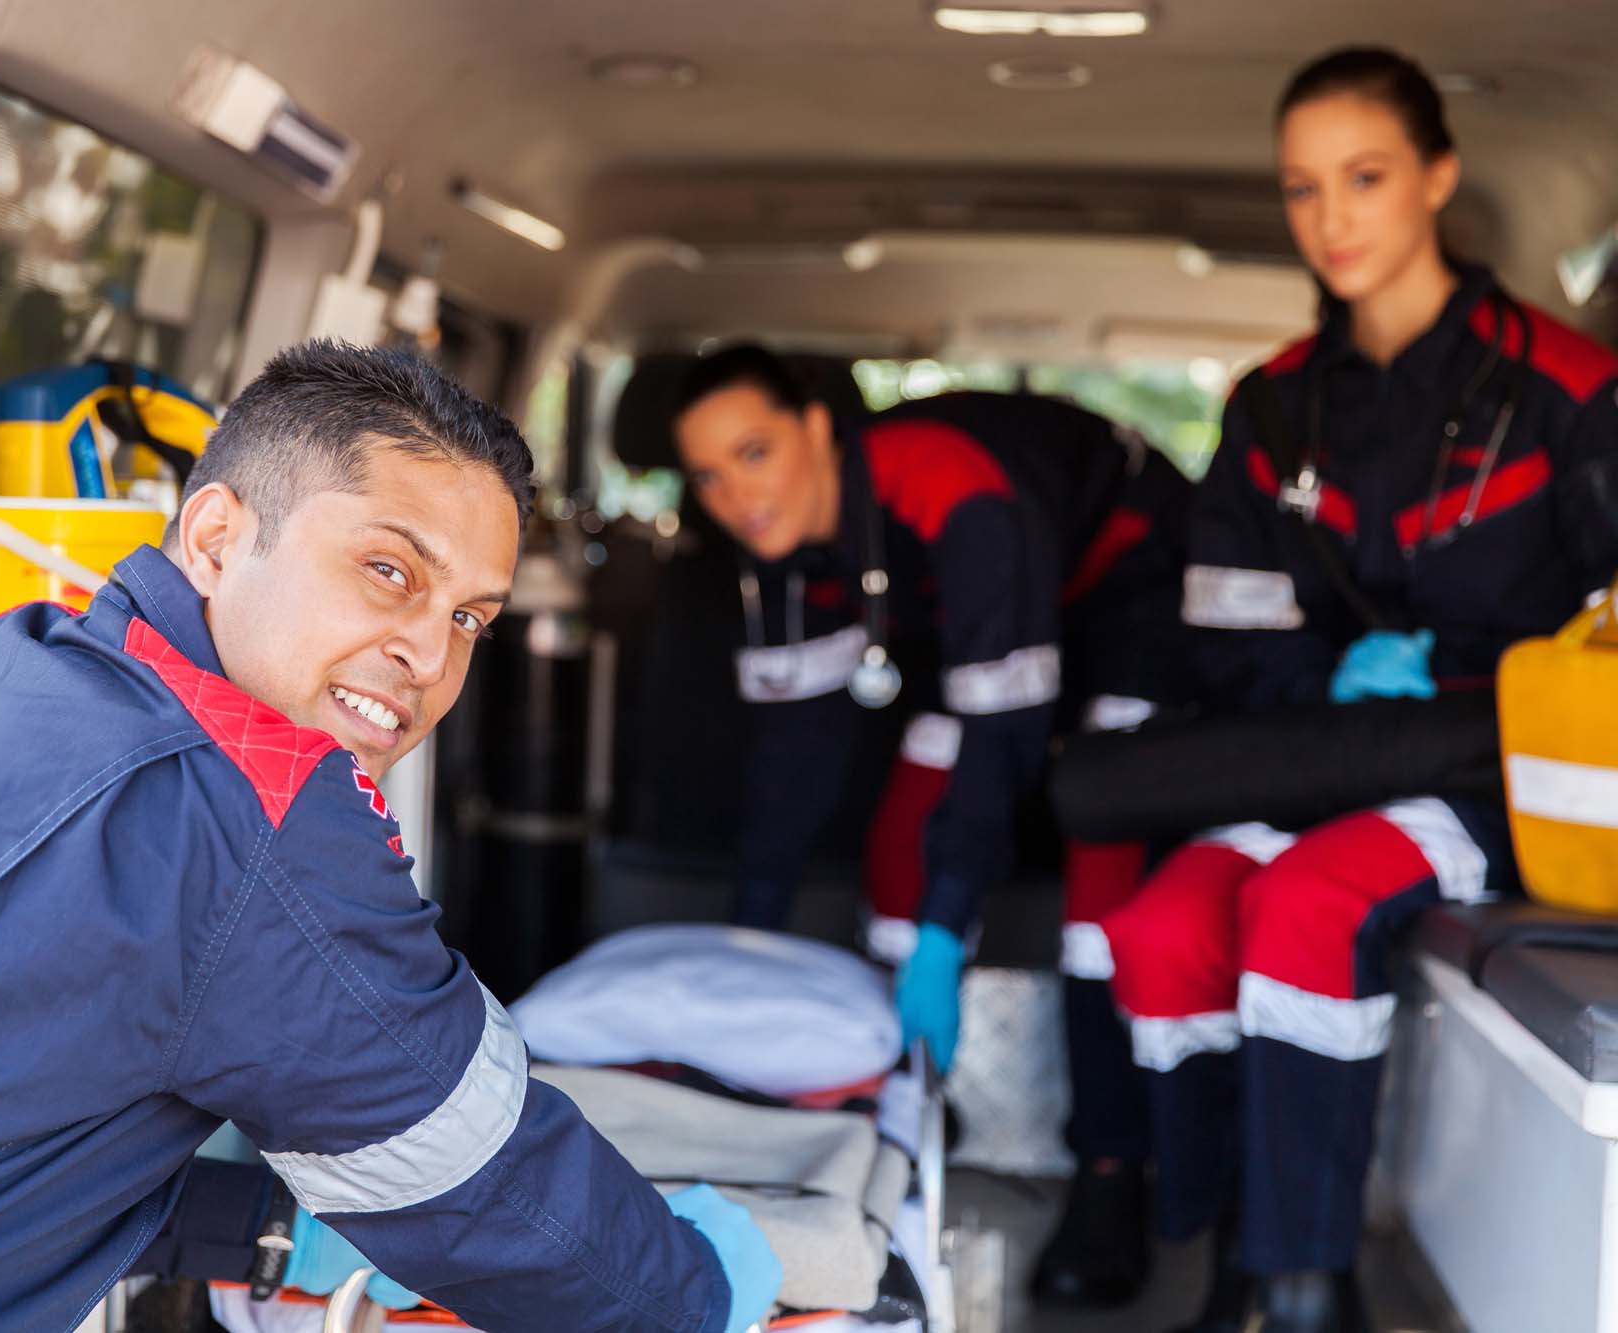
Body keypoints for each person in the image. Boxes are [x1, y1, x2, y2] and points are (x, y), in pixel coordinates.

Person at [0, 342, 780, 1333]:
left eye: (468, 615)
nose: (431, 656)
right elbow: (482, 1178)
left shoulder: (26, 663)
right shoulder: (252, 814)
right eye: (387, 570)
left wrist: (269, 1232)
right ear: (217, 536)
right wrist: (701, 1294)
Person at [1099, 47, 1618, 1333]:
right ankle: (1220, 1255)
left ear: (1437, 176)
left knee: (1304, 904)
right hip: (1313, 751)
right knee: (1162, 930)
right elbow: (1223, 622)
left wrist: (1455, 682)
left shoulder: (1567, 393)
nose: (1330, 219)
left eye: (1364, 177)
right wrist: (1326, 673)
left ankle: (1305, 1284)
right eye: (1300, 188)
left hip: (1492, 773)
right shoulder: (1269, 411)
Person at [670, 345, 1194, 1307]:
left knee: (1103, 835)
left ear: (819, 430)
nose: (735, 494)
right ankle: (897, 1118)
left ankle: (1111, 1174)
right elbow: (799, 754)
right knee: (906, 827)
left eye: (754, 452)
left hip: (1139, 591)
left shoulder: (951, 491)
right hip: (1013, 615)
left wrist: (949, 933)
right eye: (707, 472)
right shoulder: (784, 547)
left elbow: (1002, 740)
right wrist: (746, 942)